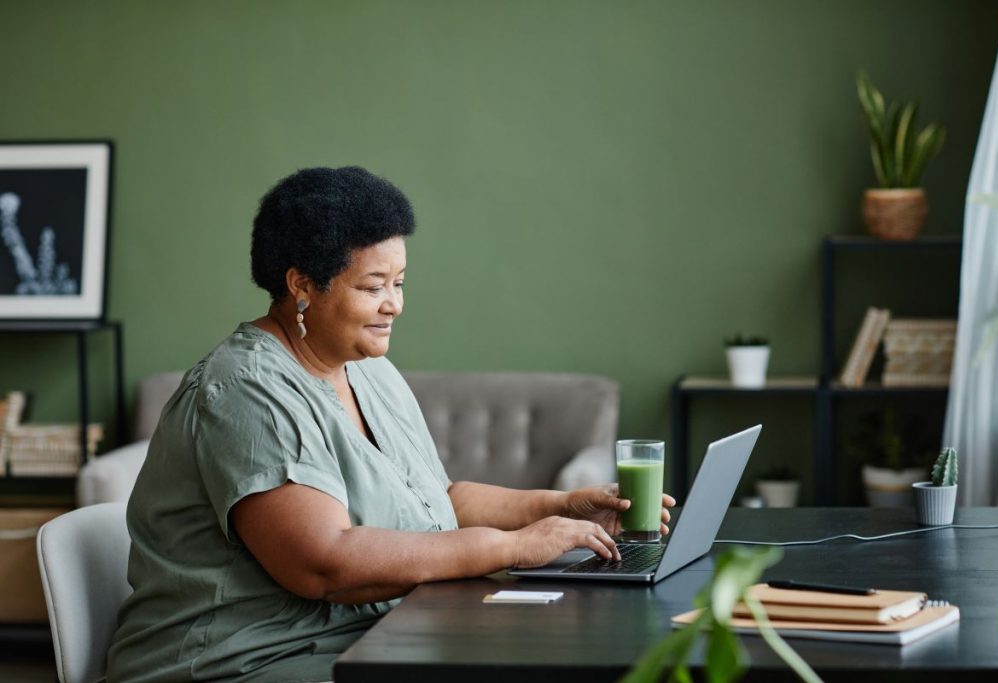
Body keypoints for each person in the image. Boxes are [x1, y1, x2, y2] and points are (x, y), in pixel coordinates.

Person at [106, 166, 674, 683]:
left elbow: (438, 501)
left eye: (398, 284)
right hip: (246, 659)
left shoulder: (365, 369)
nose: (394, 305)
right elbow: (323, 563)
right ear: (302, 285)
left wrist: (559, 506)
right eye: (373, 287)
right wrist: (513, 547)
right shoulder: (246, 392)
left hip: (367, 636)